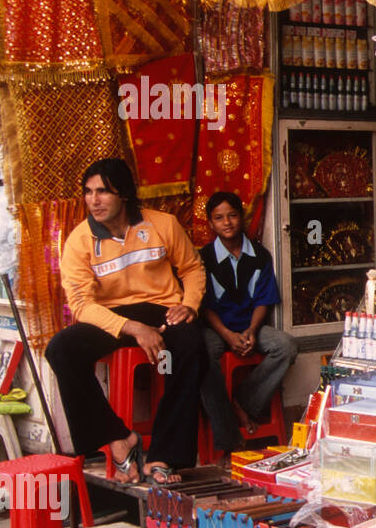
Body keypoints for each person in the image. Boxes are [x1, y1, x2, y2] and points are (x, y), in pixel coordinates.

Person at [45, 158, 207, 484]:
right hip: (113, 315)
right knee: (61, 349)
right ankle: (117, 438)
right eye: (89, 192)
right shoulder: (79, 240)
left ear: (124, 195)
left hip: (162, 308)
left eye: (103, 191)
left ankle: (164, 455)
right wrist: (132, 328)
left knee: (192, 347)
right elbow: (80, 304)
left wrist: (188, 305)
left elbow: (192, 268)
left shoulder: (163, 224)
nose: (94, 200)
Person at [198, 191, 296, 451]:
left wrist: (252, 331)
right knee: (203, 351)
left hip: (250, 325)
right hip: (217, 328)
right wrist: (229, 335)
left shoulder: (260, 256)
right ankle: (225, 424)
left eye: (232, 215)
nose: (227, 222)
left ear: (241, 218)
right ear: (210, 223)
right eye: (219, 218)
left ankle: (242, 402)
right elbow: (205, 307)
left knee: (286, 346)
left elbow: (264, 300)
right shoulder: (204, 258)